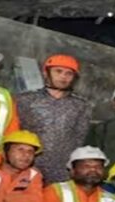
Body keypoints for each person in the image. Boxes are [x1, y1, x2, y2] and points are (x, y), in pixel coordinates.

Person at [17, 54, 93, 184]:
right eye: (58, 71)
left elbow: (80, 138)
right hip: (29, 166)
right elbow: (16, 133)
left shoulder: (80, 105)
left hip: (64, 172)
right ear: (46, 73)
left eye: (69, 73)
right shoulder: (26, 100)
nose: (63, 76)